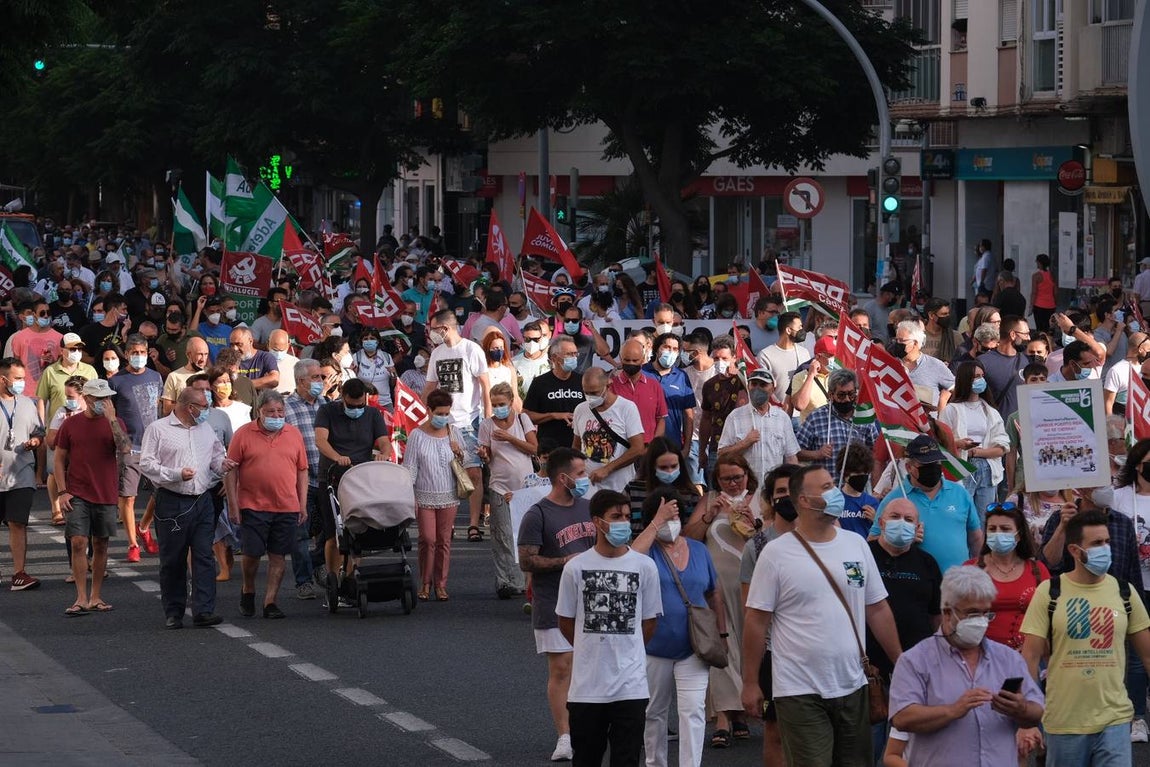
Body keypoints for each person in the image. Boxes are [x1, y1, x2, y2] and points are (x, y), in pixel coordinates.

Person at [742, 465, 904, 766]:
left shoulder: (856, 545)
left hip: (853, 685)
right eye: (827, 487)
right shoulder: (776, 554)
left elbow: (877, 608)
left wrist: (901, 662)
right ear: (803, 500)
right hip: (799, 690)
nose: (836, 493)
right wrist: (750, 682)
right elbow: (755, 620)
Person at [1022, 509, 1150, 764]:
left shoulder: (1125, 592)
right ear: (1074, 551)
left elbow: (1147, 655)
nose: (1105, 549)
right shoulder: (1050, 591)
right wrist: (1028, 719)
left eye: (1107, 542)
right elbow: (1030, 658)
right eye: (1096, 544)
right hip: (1063, 722)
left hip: (1114, 719)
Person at [889, 566, 1045, 766]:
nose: (980, 621)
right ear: (947, 613)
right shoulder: (915, 660)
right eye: (972, 613)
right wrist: (953, 711)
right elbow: (902, 718)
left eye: (986, 613)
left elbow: (1038, 711)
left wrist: (1020, 708)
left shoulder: (1008, 658)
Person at [556, 489, 661, 767]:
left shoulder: (645, 567)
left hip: (631, 687)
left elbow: (649, 622)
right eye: (616, 517)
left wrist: (630, 648)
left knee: (626, 760)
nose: (623, 522)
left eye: (627, 516)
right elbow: (565, 620)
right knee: (586, 759)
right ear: (597, 522)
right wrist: (589, 648)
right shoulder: (575, 568)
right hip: (587, 688)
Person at [632, 488, 724, 767]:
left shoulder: (699, 550)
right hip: (653, 647)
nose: (671, 523)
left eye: (675, 516)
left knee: (693, 711)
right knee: (654, 712)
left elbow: (713, 594)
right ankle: (655, 763)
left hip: (694, 647)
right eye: (665, 518)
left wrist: (723, 634)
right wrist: (655, 522)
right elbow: (630, 563)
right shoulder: (644, 552)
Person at [518, 448, 598, 762]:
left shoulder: (591, 508)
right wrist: (565, 561)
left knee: (591, 668)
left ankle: (589, 728)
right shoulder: (537, 514)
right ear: (563, 478)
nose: (585, 479)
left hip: (592, 601)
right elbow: (527, 560)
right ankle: (564, 736)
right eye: (580, 473)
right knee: (562, 668)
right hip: (553, 600)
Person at [683, 453, 759, 746]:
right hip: (716, 587)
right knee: (721, 645)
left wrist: (757, 524)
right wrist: (708, 515)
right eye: (726, 478)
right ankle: (724, 718)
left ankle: (741, 712)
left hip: (751, 586)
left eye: (737, 477)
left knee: (747, 646)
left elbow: (772, 539)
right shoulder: (711, 498)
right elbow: (689, 536)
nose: (732, 483)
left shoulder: (758, 497)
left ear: (746, 474)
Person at [139, 386, 227, 629]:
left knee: (203, 556)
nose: (207, 411)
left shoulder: (205, 428)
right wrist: (176, 474)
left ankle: (204, 610)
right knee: (173, 559)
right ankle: (174, 611)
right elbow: (146, 463)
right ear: (190, 407)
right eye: (204, 407)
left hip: (202, 500)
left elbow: (216, 456)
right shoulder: (158, 429)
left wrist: (223, 465)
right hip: (171, 501)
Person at [225, 390, 309, 620]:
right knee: (251, 554)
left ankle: (270, 601)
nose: (276, 415)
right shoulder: (243, 434)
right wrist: (233, 505)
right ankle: (248, 588)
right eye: (270, 411)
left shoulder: (293, 434)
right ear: (259, 412)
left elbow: (302, 470)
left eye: (280, 411)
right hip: (252, 505)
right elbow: (231, 470)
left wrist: (302, 504)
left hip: (286, 506)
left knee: (278, 555)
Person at [55, 378, 131, 616]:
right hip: (77, 491)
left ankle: (96, 595)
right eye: (99, 399)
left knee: (100, 544)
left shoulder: (115, 422)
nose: (104, 402)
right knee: (78, 542)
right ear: (86, 399)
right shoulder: (71, 424)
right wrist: (62, 490)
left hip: (105, 492)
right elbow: (58, 459)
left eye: (107, 398)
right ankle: (80, 597)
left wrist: (111, 420)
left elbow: (125, 448)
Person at [314, 377, 392, 585]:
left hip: (360, 478)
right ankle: (333, 577)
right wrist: (336, 456)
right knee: (333, 531)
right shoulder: (327, 411)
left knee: (358, 528)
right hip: (332, 476)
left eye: (360, 405)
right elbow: (320, 440)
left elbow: (385, 442)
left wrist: (384, 453)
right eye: (351, 405)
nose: (356, 409)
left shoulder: (373, 414)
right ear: (343, 398)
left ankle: (351, 575)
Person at [422, 308, 490, 543]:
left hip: (469, 421)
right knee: (444, 476)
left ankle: (473, 523)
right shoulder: (437, 353)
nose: (431, 333)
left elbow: (485, 385)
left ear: (445, 328)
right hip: (444, 422)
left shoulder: (472, 349)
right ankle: (447, 523)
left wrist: (487, 417)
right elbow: (430, 386)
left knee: (474, 473)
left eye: (433, 329)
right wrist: (424, 414)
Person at [404, 389, 465, 602]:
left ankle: (440, 585)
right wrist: (408, 495)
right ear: (428, 410)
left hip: (449, 494)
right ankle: (425, 582)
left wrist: (459, 452)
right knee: (427, 540)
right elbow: (410, 467)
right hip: (424, 494)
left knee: (444, 541)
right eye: (439, 413)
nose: (443, 417)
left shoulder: (454, 432)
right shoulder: (416, 435)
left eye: (446, 413)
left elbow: (464, 464)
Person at [108, 333, 163, 564]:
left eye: (142, 353)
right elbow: (110, 416)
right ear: (127, 354)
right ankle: (133, 544)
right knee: (128, 497)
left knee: (160, 493)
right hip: (129, 447)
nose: (139, 357)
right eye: (134, 353)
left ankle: (144, 527)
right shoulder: (116, 381)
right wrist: (121, 443)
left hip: (155, 446)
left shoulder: (157, 377)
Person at [965, 501, 1050, 651]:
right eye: (992, 529)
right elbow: (955, 617)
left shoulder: (1037, 570)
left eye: (1005, 529)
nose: (998, 534)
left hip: (1028, 658)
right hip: (982, 658)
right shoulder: (970, 569)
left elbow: (1050, 618)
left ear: (1019, 535)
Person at [478, 382, 536, 600]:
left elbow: (534, 448)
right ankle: (505, 580)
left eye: (502, 404)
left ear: (511, 402)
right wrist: (484, 454)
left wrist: (510, 437)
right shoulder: (486, 425)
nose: (498, 408)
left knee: (524, 534)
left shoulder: (523, 420)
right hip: (499, 485)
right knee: (502, 535)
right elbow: (488, 455)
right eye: (494, 405)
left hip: (525, 487)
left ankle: (524, 580)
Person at [937, 361, 1010, 516]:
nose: (980, 380)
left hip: (988, 468)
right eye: (976, 376)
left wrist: (976, 452)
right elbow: (941, 442)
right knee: (962, 514)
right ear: (966, 379)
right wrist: (959, 445)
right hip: (962, 466)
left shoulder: (990, 411)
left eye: (982, 376)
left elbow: (1002, 446)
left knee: (985, 516)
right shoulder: (951, 410)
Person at [282, 359, 326, 601]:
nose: (321, 381)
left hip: (326, 479)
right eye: (316, 377)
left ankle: (317, 564)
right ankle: (304, 581)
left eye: (321, 376)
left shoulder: (327, 405)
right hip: (300, 481)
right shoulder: (286, 408)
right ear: (301, 381)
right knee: (299, 534)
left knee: (330, 531)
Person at [0, 358, 45, 591]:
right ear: (2, 379)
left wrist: (36, 441)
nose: (21, 383)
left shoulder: (27, 403)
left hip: (21, 473)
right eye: (17, 379)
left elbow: (39, 431)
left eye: (23, 378)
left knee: (18, 523)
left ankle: (19, 573)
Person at [718, 368, 798, 486]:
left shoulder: (782, 418)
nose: (757, 388)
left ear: (773, 389)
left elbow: (791, 458)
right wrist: (745, 443)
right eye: (754, 384)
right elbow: (721, 455)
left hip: (773, 488)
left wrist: (794, 486)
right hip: (745, 489)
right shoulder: (735, 417)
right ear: (748, 386)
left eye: (763, 385)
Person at [572, 368, 645, 493]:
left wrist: (607, 469)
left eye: (595, 393)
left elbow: (638, 448)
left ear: (609, 385)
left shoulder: (627, 408)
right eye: (586, 393)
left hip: (620, 488)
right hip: (590, 488)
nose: (590, 397)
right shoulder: (580, 409)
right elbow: (576, 446)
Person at [795, 369, 880, 475]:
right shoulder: (816, 418)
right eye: (841, 395)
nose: (847, 399)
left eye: (851, 394)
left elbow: (877, 454)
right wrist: (817, 454)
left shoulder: (863, 417)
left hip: (857, 488)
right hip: (828, 487)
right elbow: (796, 451)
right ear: (831, 395)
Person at [524, 335, 585, 455]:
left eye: (575, 354)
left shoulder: (582, 381)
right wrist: (553, 415)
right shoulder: (540, 383)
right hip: (549, 449)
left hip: (578, 448)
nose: (573, 358)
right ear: (555, 358)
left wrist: (579, 420)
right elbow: (526, 416)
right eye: (569, 354)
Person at [627, 438, 702, 534]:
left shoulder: (690, 493)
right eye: (663, 467)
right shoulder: (633, 490)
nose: (670, 472)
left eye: (674, 466)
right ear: (652, 467)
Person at [697, 335, 746, 480]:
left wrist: (742, 377)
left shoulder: (744, 381)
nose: (720, 362)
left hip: (742, 446)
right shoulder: (709, 385)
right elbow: (706, 419)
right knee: (715, 494)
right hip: (716, 448)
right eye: (716, 358)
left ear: (734, 358)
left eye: (724, 358)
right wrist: (701, 451)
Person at [642, 333, 695, 452]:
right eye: (666, 347)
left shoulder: (681, 376)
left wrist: (686, 448)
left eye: (675, 349)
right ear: (656, 349)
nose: (671, 352)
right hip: (643, 446)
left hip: (672, 446)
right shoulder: (642, 372)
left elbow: (688, 414)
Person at [890, 320, 955, 412]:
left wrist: (943, 403)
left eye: (901, 340)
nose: (897, 343)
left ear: (915, 343)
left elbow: (955, 389)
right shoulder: (891, 364)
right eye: (896, 340)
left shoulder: (935, 365)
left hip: (927, 422)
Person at [756, 312, 811, 400]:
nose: (802, 330)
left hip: (800, 411)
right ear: (788, 330)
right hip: (777, 410)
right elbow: (763, 386)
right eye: (799, 327)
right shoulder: (765, 355)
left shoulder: (804, 352)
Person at [1030, 253, 1058, 334]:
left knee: (1040, 328)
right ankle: (1050, 342)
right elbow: (1056, 292)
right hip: (1051, 305)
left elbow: (1034, 292)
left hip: (1039, 305)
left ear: (1039, 263)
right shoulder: (1052, 275)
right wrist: (1055, 303)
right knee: (1049, 326)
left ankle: (1041, 343)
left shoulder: (1036, 276)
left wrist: (1031, 306)